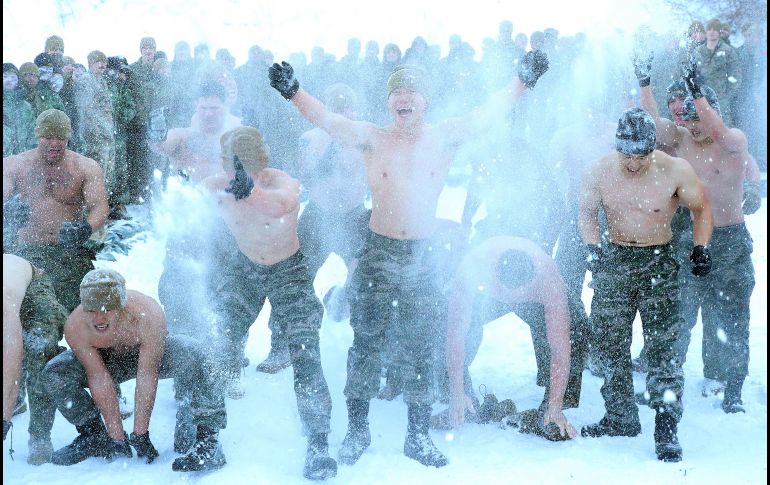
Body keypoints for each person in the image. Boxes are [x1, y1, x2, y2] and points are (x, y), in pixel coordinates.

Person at [268, 47, 548, 467]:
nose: (403, 98)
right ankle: (358, 429)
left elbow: (488, 114)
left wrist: (522, 82)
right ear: (389, 102)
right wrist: (294, 92)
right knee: (366, 344)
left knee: (421, 346)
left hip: (422, 255)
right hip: (378, 251)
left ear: (425, 101)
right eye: (396, 92)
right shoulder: (372, 138)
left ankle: (417, 436)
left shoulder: (444, 137)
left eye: (411, 92)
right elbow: (327, 119)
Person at [201, 126, 337, 480]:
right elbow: (194, 203)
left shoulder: (280, 182)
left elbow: (284, 204)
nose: (240, 173)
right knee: (219, 342)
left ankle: (318, 442)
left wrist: (252, 190)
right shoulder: (217, 186)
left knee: (306, 352)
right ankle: (206, 436)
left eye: (247, 165)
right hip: (244, 268)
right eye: (234, 165)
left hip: (288, 269)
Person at [578, 107, 713, 462]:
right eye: (627, 155)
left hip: (659, 263)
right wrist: (592, 247)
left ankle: (666, 426)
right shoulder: (598, 171)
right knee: (610, 342)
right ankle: (620, 416)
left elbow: (701, 207)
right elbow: (586, 211)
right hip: (615, 260)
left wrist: (700, 247)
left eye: (641, 155)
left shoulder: (675, 169)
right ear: (616, 146)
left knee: (663, 347)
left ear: (653, 148)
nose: (634, 163)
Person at [638, 57, 757, 413]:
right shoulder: (682, 140)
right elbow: (653, 125)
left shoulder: (732, 141)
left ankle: (732, 389)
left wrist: (698, 92)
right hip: (692, 240)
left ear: (712, 113)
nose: (692, 127)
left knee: (732, 319)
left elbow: (720, 133)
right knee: (679, 316)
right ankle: (665, 386)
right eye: (687, 120)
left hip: (731, 241)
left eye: (698, 119)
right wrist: (645, 83)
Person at [39, 268, 228, 471]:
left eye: (106, 310)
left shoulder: (148, 313)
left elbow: (147, 374)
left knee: (200, 355)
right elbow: (99, 378)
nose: (99, 319)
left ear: (121, 305)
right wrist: (117, 438)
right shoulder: (76, 326)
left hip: (147, 354)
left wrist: (140, 434)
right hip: (106, 361)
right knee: (55, 371)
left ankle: (207, 440)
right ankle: (94, 436)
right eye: (92, 310)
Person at [442, 236, 579, 442]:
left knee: (576, 330)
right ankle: (462, 400)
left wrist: (555, 405)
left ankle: (551, 412)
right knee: (440, 322)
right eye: (511, 294)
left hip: (534, 296)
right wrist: (456, 391)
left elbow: (559, 349)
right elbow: (456, 333)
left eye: (520, 294)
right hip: (488, 295)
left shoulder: (548, 279)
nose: (515, 299)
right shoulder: (474, 267)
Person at [3, 109, 109, 312]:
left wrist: (85, 229)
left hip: (69, 252)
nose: (54, 143)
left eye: (60, 138)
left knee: (82, 311)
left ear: (68, 138)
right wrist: (7, 211)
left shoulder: (85, 167)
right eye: (48, 137)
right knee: (30, 311)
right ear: (38, 136)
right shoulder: (15, 165)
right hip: (28, 251)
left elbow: (100, 206)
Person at [3, 254, 68, 465]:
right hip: (13, 286)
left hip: (33, 286)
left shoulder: (5, 305)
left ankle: (40, 436)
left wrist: (3, 421)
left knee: (39, 348)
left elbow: (11, 365)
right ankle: (15, 402)